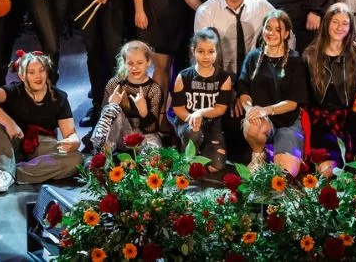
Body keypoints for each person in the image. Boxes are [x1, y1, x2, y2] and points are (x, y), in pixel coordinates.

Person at [0, 51, 82, 195]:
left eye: (41, 70)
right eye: (32, 72)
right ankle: (2, 170)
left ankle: (8, 172)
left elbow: (70, 133)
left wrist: (74, 141)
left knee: (76, 160)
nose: (38, 76)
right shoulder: (14, 90)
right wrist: (9, 123)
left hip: (39, 146)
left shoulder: (59, 97)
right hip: (11, 143)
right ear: (22, 76)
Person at [302, 3, 356, 166]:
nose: (339, 27)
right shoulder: (310, 54)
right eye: (335, 22)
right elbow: (304, 95)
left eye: (345, 23)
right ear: (326, 24)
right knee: (327, 168)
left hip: (349, 117)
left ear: (350, 28)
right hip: (320, 119)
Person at [236, 10, 308, 176]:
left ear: (286, 33)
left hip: (287, 122)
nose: (271, 33)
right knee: (252, 125)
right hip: (262, 121)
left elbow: (293, 102)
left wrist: (266, 110)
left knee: (285, 175)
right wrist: (250, 110)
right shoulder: (253, 57)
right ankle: (258, 156)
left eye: (278, 29)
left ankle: (278, 151)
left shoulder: (295, 60)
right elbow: (243, 90)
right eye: (268, 28)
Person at [194, 0, 275, 76]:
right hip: (217, 74)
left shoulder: (261, 6)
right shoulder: (206, 11)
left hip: (254, 74)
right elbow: (200, 52)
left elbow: (287, 34)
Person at [172, 30, 233, 171]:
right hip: (187, 122)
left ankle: (204, 148)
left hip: (212, 124)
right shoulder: (183, 76)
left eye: (211, 51)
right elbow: (178, 108)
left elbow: (220, 108)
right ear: (193, 51)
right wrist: (192, 118)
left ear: (217, 52)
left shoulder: (224, 78)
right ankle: (186, 158)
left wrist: (200, 112)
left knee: (216, 166)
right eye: (201, 51)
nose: (206, 56)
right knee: (194, 133)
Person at [90, 41, 164, 153]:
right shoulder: (115, 83)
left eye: (140, 63)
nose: (135, 67)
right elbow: (102, 121)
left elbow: (152, 129)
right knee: (110, 108)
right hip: (121, 135)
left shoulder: (154, 88)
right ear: (124, 63)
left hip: (145, 136)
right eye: (130, 63)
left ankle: (144, 160)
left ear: (148, 62)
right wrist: (111, 105)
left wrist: (143, 111)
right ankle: (101, 153)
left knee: (153, 153)